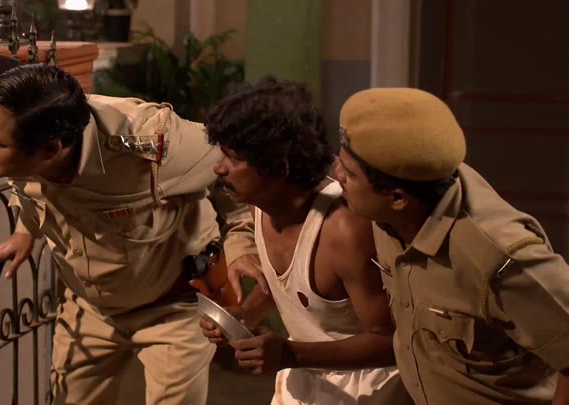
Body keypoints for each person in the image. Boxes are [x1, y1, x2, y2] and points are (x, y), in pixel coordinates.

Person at [0, 63, 260, 405]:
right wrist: (26, 231)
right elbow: (33, 188)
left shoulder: (152, 142)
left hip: (172, 308)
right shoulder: (33, 136)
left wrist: (241, 241)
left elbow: (233, 169)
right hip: (90, 308)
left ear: (51, 149)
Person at [333, 87, 569, 404]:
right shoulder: (395, 199)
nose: (337, 176)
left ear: (398, 199)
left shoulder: (498, 257)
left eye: (349, 174)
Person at [199, 78, 411, 404]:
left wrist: (289, 354)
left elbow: (392, 342)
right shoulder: (261, 206)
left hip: (366, 389)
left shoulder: (344, 229)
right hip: (302, 380)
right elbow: (292, 288)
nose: (219, 168)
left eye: (234, 159)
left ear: (279, 167)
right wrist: (244, 316)